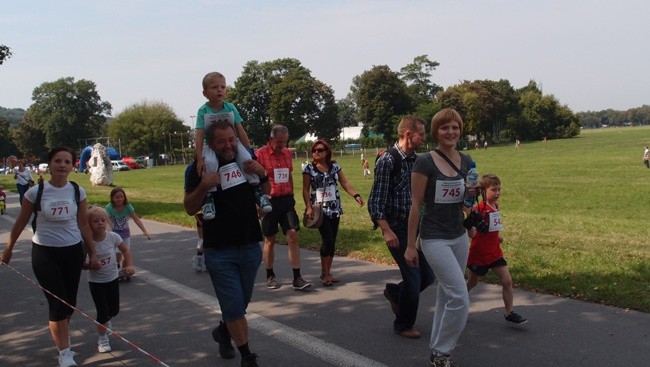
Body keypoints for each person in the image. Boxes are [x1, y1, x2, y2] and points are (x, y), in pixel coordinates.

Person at [1, 146, 99, 367]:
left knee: (70, 303)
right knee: (57, 303)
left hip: (72, 251)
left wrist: (93, 251)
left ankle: (62, 333)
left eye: (67, 162)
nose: (62, 165)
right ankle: (64, 352)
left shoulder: (77, 191)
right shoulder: (35, 192)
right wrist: (8, 249)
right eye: (58, 161)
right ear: (50, 164)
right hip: (45, 253)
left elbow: (84, 224)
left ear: (73, 166)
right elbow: (20, 223)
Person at [184, 119, 269, 367]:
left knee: (240, 302)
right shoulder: (199, 168)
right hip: (219, 250)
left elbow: (267, 191)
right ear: (211, 144)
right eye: (222, 141)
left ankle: (223, 331)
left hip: (251, 245)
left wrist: (263, 174)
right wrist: (203, 186)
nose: (229, 145)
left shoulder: (245, 162)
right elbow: (190, 208)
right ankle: (247, 355)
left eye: (232, 139)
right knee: (233, 304)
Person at [405, 108, 476, 367]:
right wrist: (411, 246)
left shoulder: (467, 161)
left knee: (447, 295)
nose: (451, 132)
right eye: (445, 127)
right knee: (459, 297)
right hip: (434, 238)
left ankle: (437, 348)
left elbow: (464, 202)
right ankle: (442, 353)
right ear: (436, 131)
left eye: (455, 127)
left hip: (458, 236)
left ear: (460, 130)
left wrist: (470, 204)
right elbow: (415, 206)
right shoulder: (425, 162)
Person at [368, 115, 436, 339]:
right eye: (421, 134)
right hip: (396, 227)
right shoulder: (388, 160)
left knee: (428, 275)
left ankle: (396, 293)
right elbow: (375, 201)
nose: (424, 138)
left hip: (415, 227)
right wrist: (386, 230)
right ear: (408, 134)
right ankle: (403, 324)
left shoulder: (418, 161)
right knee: (414, 277)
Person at [194, 71, 271, 219]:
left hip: (232, 142)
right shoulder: (203, 110)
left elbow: (240, 131)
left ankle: (257, 190)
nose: (219, 90)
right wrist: (199, 158)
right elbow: (199, 134)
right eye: (214, 87)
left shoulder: (230, 108)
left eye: (223, 87)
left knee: (246, 160)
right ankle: (209, 197)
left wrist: (250, 152)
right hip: (211, 145)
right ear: (205, 93)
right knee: (209, 162)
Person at [466, 173, 527, 325]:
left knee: (507, 281)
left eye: (499, 189)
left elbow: (492, 228)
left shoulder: (495, 206)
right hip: (479, 254)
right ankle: (457, 305)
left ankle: (509, 312)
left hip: (494, 252)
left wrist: (497, 237)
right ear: (483, 191)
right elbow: (472, 232)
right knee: (472, 283)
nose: (498, 193)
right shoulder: (478, 208)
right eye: (494, 190)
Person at [256, 124, 311, 290]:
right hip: (269, 201)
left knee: (293, 234)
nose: (282, 145)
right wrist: (258, 202)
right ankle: (270, 275)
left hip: (286, 201)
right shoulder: (260, 154)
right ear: (271, 139)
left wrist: (292, 195)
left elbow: (289, 175)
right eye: (279, 142)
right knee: (270, 239)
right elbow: (254, 180)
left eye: (285, 142)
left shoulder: (287, 153)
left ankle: (297, 277)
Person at [302, 140, 364, 286]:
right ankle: (324, 274)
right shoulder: (308, 168)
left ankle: (328, 272)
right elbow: (305, 189)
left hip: (334, 207)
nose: (316, 152)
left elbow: (345, 183)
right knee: (327, 239)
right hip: (319, 210)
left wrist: (356, 195)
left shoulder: (335, 167)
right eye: (314, 150)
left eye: (320, 150)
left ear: (327, 152)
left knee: (332, 241)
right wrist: (308, 207)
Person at [86, 205, 135, 353]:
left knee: (114, 310)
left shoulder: (113, 237)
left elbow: (125, 250)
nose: (100, 223)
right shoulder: (87, 242)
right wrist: (90, 265)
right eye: (95, 221)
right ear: (88, 224)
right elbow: (81, 264)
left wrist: (129, 264)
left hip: (112, 279)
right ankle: (102, 339)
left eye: (103, 220)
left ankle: (107, 320)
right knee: (102, 311)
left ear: (107, 221)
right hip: (96, 282)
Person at [105, 187, 150, 280]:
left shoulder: (128, 207)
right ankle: (116, 266)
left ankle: (125, 269)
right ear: (112, 198)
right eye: (117, 197)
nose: (120, 199)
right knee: (115, 252)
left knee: (125, 251)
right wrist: (108, 231)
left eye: (121, 197)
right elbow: (107, 221)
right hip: (114, 233)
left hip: (125, 233)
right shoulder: (109, 208)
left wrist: (144, 230)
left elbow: (136, 218)